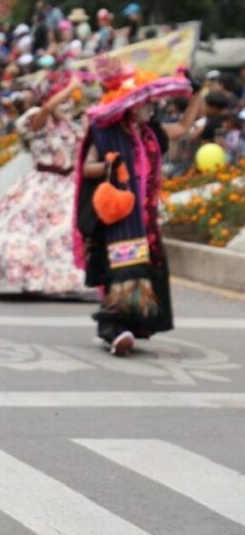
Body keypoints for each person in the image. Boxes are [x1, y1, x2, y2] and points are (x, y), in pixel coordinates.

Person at [74, 61, 202, 355]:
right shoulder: (105, 132)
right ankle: (114, 330)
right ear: (130, 105)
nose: (151, 107)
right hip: (119, 217)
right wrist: (111, 163)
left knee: (145, 274)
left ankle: (132, 326)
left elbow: (183, 128)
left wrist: (196, 95)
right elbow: (87, 168)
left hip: (146, 220)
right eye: (145, 102)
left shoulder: (151, 131)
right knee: (123, 272)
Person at [0, 74, 89, 294]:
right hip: (40, 184)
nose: (66, 104)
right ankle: (29, 278)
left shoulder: (71, 126)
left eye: (69, 101)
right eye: (62, 98)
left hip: (67, 186)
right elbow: (47, 109)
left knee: (63, 235)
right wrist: (70, 88)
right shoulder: (36, 117)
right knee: (29, 232)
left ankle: (63, 280)